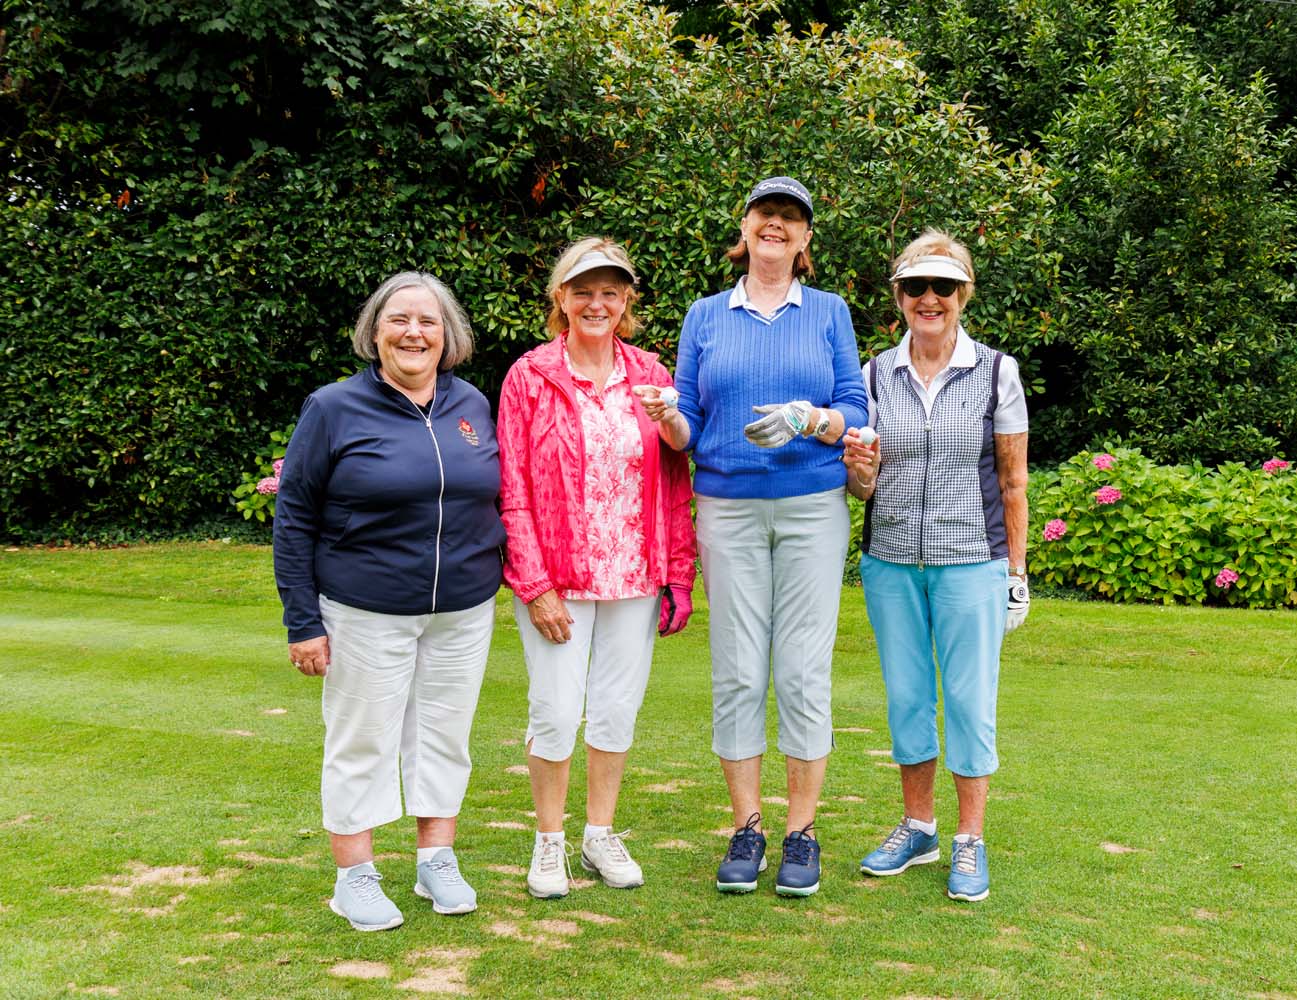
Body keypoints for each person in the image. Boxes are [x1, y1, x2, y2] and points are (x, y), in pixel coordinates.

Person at [637, 176, 866, 897]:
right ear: (745, 228)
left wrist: (811, 419)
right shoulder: (706, 315)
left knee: (801, 671)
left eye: (791, 217)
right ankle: (747, 828)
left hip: (811, 506)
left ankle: (802, 833)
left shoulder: (829, 312)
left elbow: (854, 407)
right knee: (738, 669)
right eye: (766, 213)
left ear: (805, 238)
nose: (776, 224)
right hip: (728, 509)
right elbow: (689, 425)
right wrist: (668, 417)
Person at [273, 271, 504, 931]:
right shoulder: (333, 408)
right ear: (374, 332)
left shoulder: (471, 404)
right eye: (399, 319)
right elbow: (294, 518)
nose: (413, 332)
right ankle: (355, 878)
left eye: (428, 321)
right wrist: (302, 621)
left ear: (447, 335)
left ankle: (437, 860)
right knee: (363, 741)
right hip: (365, 607)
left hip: (462, 610)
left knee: (445, 736)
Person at [499, 238, 696, 900]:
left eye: (610, 292)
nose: (596, 303)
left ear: (626, 301)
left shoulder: (649, 372)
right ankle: (548, 840)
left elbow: (675, 479)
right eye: (582, 290)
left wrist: (677, 575)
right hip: (559, 579)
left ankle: (599, 834)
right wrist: (534, 585)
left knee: (616, 710)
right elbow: (512, 488)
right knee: (556, 712)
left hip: (634, 575)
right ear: (560, 298)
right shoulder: (530, 375)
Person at [841, 230, 1030, 903]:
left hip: (972, 562)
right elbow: (861, 487)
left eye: (943, 287)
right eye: (916, 286)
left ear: (963, 294)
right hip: (890, 561)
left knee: (972, 702)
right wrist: (860, 473)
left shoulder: (997, 371)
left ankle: (969, 838)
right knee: (907, 698)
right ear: (899, 296)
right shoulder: (871, 375)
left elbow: (1012, 481)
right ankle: (918, 827)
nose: (930, 298)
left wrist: (1016, 573)